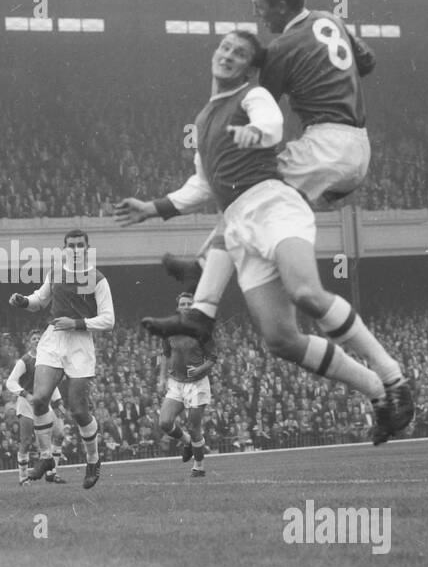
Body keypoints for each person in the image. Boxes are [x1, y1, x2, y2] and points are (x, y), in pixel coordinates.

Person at [115, 30, 411, 445]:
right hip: (238, 227)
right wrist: (153, 208)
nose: (228, 56)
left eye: (239, 53)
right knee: (281, 340)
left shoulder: (252, 97)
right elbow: (202, 185)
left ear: (250, 68)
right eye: (225, 48)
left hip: (273, 205)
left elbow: (271, 126)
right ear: (214, 54)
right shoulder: (203, 119)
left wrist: (256, 134)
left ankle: (393, 377)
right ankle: (377, 394)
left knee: (306, 293)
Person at [8, 229, 115, 488]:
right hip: (54, 339)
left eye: (80, 245)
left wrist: (76, 322)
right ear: (64, 248)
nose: (76, 249)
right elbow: (39, 301)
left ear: (87, 249)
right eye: (71, 245)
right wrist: (24, 301)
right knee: (40, 398)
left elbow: (109, 320)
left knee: (78, 411)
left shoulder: (97, 279)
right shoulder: (55, 273)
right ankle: (46, 458)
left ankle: (93, 459)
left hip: (79, 342)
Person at [158, 292, 216, 478]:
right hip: (176, 383)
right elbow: (165, 354)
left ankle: (199, 467)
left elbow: (213, 358)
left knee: (193, 426)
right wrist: (161, 378)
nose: (185, 307)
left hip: (197, 384)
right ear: (178, 307)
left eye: (189, 304)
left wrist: (200, 370)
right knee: (165, 422)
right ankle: (187, 442)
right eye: (182, 303)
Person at [4, 330, 66, 484]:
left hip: (43, 402)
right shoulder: (24, 361)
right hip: (27, 403)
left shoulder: (47, 360)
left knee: (59, 434)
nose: (37, 340)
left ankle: (52, 472)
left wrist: (58, 402)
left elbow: (51, 383)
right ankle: (23, 478)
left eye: (39, 338)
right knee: (26, 441)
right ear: (29, 342)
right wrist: (26, 394)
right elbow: (10, 382)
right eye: (34, 338)